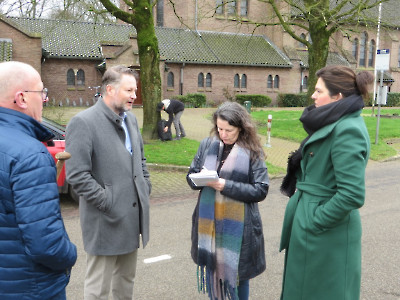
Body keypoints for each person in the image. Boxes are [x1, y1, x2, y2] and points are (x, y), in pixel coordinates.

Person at [279, 65, 374, 300]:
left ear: (337, 97)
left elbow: (351, 194)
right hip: (313, 223)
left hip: (327, 233)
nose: (313, 95)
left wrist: (315, 221)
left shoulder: (347, 129)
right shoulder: (332, 120)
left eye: (319, 91)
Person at [65, 65, 151, 300]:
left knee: (125, 283)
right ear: (110, 89)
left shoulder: (131, 120)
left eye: (135, 90)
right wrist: (108, 201)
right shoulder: (83, 122)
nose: (134, 95)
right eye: (129, 90)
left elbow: (140, 160)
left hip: (131, 220)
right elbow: (77, 175)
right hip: (104, 221)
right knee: (98, 290)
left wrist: (145, 186)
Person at [0, 61, 77, 299]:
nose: (44, 99)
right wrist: (70, 254)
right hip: (29, 286)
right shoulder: (30, 154)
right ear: (22, 98)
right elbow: (46, 244)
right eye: (41, 92)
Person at [187, 101, 269, 300]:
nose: (223, 134)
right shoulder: (208, 145)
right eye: (219, 128)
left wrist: (225, 185)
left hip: (239, 230)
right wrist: (199, 179)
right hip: (210, 225)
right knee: (213, 271)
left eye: (228, 130)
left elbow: (261, 189)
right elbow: (191, 176)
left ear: (241, 128)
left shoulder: (252, 151)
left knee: (238, 278)